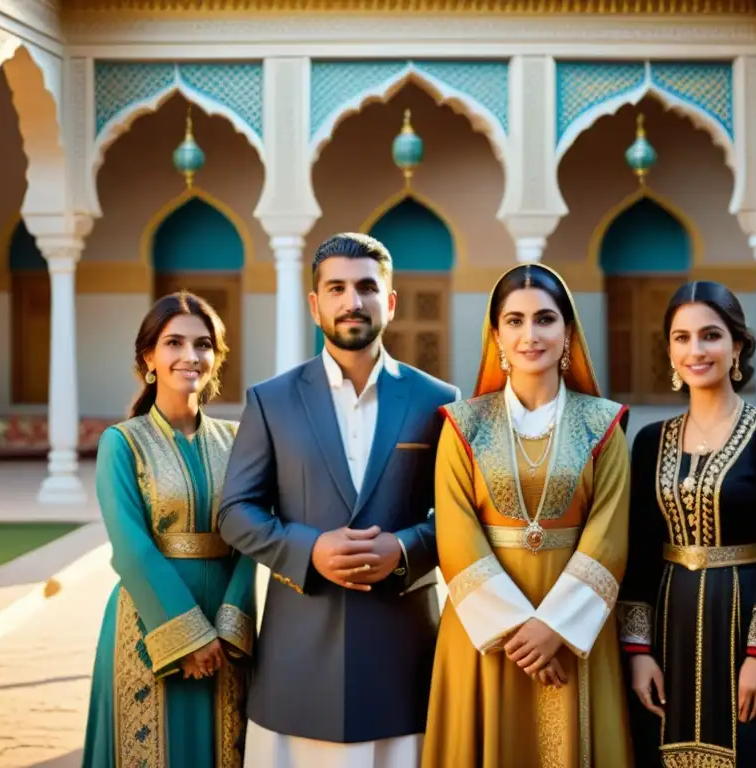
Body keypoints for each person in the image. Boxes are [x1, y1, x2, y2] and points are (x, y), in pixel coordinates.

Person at [217, 232, 460, 768]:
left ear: (389, 301)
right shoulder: (271, 399)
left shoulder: (439, 401)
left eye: (367, 288)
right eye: (337, 288)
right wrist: (309, 549)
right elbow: (235, 511)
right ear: (315, 303)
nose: (353, 302)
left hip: (403, 653)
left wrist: (404, 549)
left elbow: (459, 514)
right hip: (297, 651)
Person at [421, 263, 633, 768]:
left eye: (545, 319)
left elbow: (610, 534)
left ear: (568, 333)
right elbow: (454, 535)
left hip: (577, 631)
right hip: (485, 635)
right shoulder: (463, 424)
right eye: (514, 321)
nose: (530, 335)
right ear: (495, 335)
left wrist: (556, 627)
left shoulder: (604, 424)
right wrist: (518, 629)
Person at [619, 280, 756, 768]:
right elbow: (640, 551)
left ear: (737, 346)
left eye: (710, 335)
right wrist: (638, 651)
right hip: (669, 631)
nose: (696, 350)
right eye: (681, 337)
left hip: (745, 627)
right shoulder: (649, 442)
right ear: (669, 350)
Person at [82, 292, 256, 768]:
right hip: (148, 621)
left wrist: (229, 626)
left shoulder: (238, 440)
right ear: (149, 358)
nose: (189, 355)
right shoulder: (122, 442)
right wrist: (188, 637)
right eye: (173, 342)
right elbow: (130, 547)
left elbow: (251, 538)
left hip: (226, 630)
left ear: (216, 357)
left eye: (203, 344)